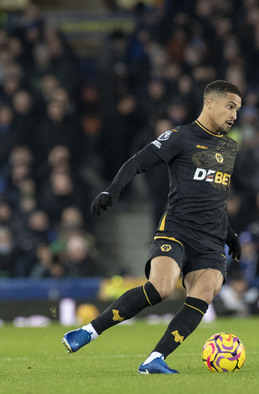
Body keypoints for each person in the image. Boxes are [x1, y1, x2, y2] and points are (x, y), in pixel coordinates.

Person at [62, 80, 243, 374]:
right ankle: (89, 331)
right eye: (230, 106)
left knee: (206, 292)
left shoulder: (230, 147)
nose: (235, 114)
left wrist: (229, 233)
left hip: (211, 239)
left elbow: (215, 195)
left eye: (238, 109)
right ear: (210, 103)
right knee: (161, 287)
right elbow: (138, 161)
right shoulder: (180, 137)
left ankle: (155, 359)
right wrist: (113, 190)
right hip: (177, 229)